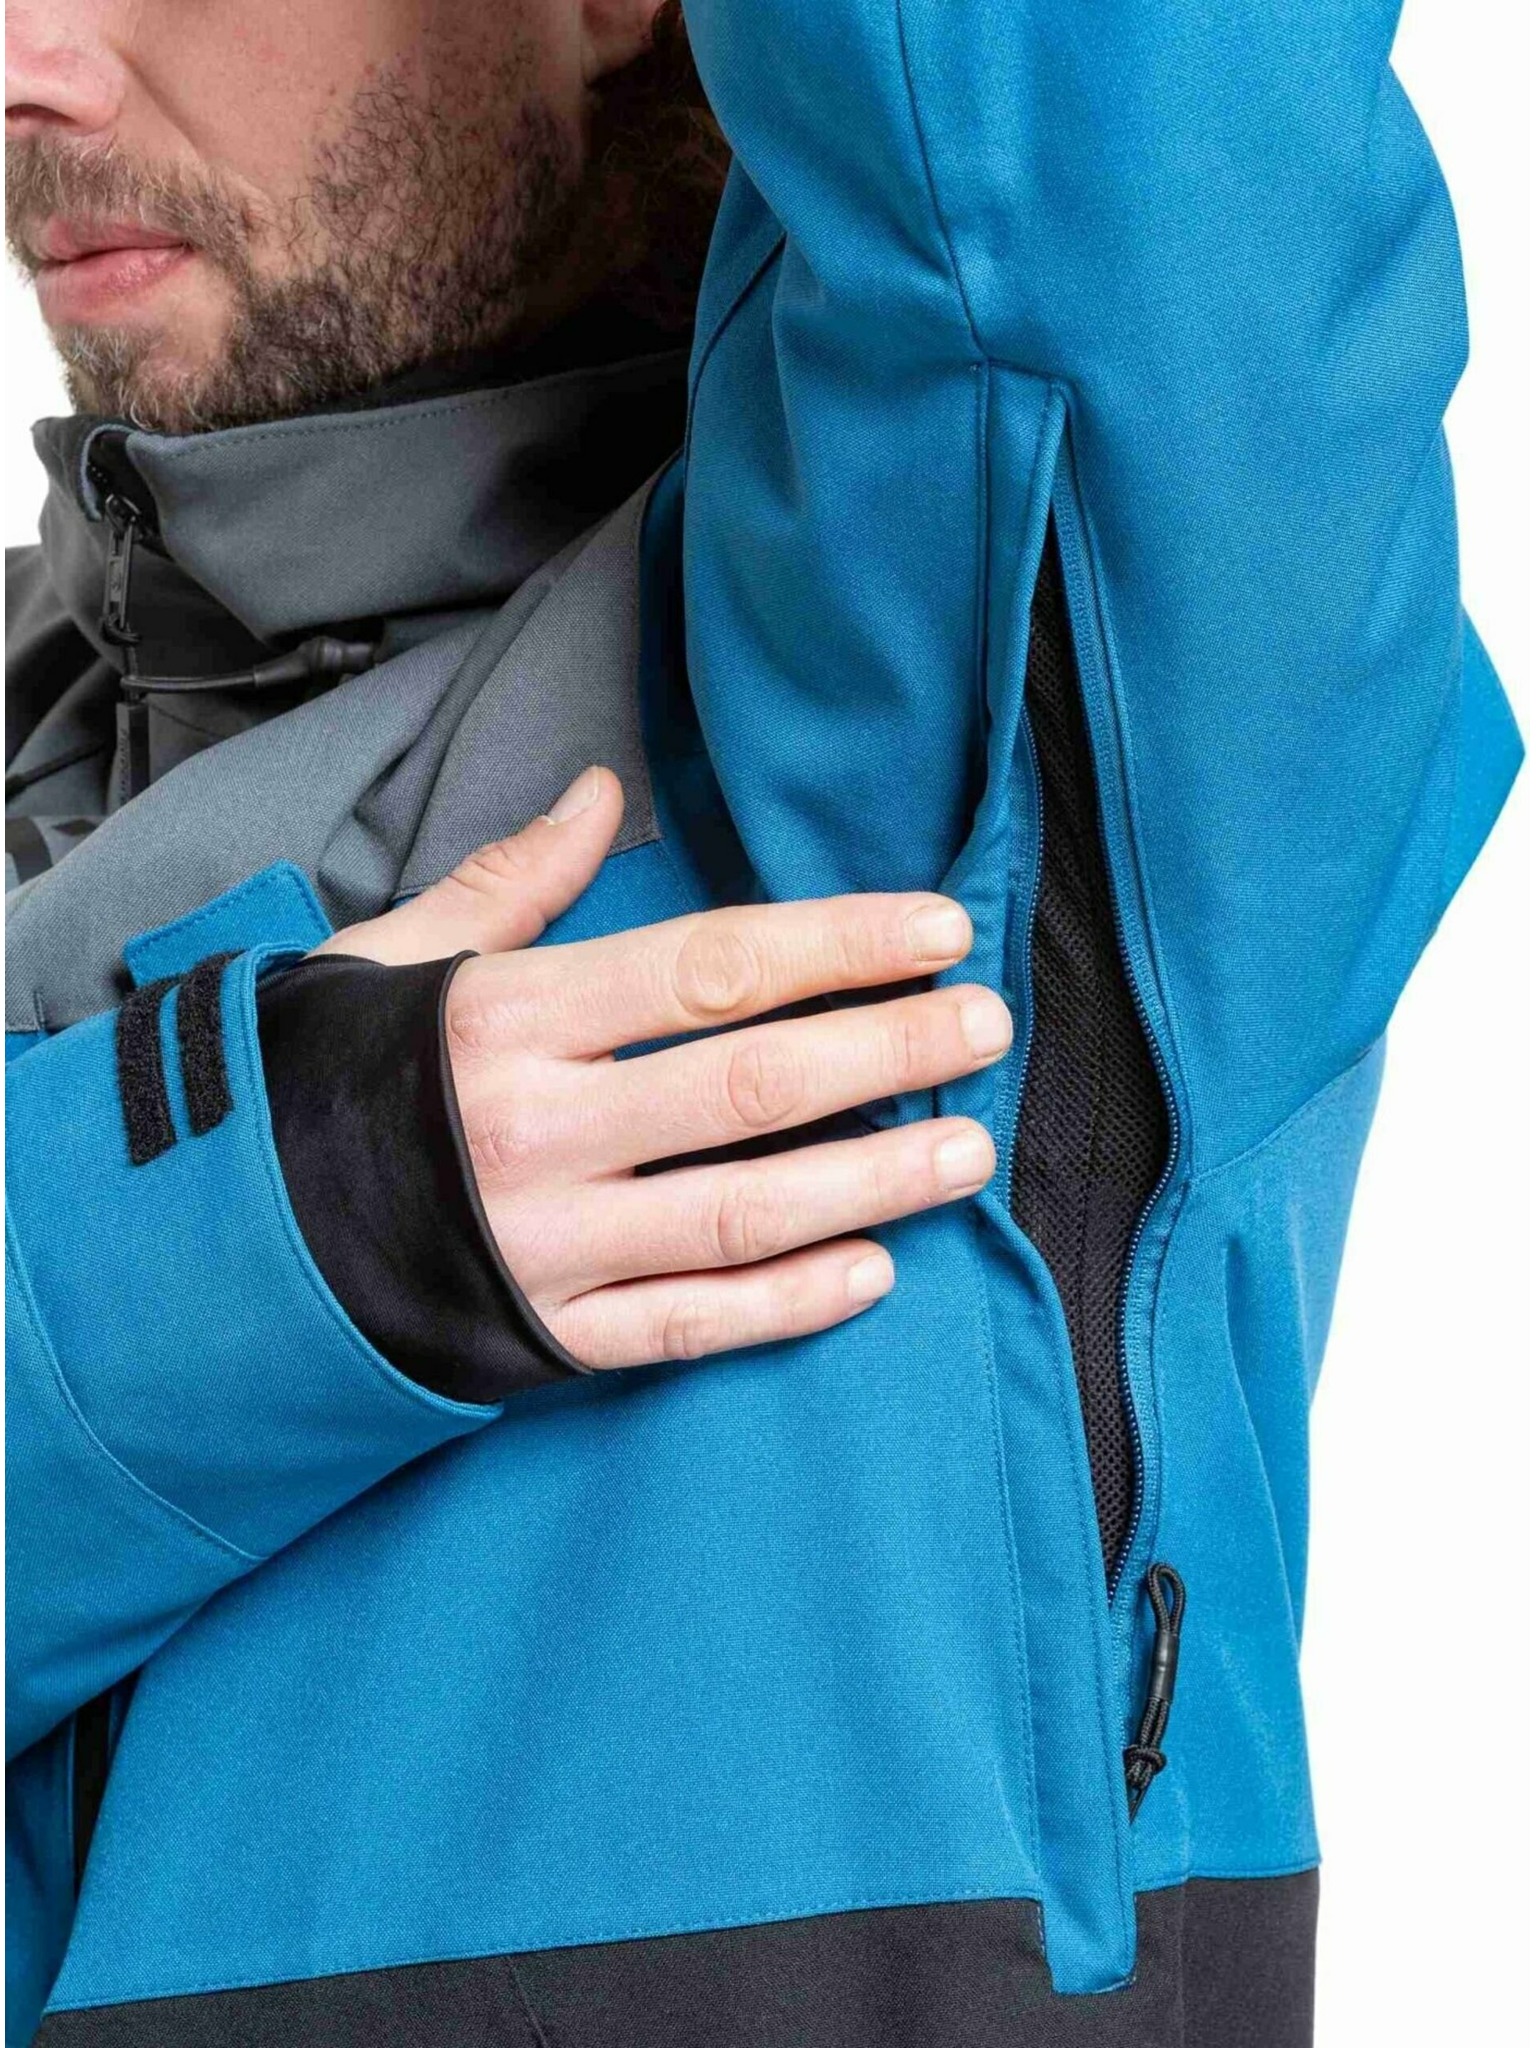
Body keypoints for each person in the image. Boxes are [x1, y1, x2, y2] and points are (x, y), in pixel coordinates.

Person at [3, 1, 1521, 2044]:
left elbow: (1081, 113)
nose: (29, 62)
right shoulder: (41, 750)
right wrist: (269, 1224)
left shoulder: (957, 675)